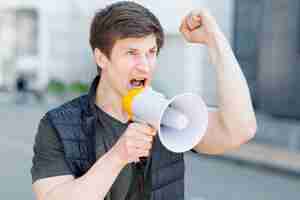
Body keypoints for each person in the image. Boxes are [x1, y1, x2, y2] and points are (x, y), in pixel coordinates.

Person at [31, 1, 257, 200]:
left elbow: (240, 129)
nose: (145, 65)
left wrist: (214, 39)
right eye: (131, 53)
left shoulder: (169, 114)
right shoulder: (59, 125)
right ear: (101, 58)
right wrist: (118, 157)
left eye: (151, 52)